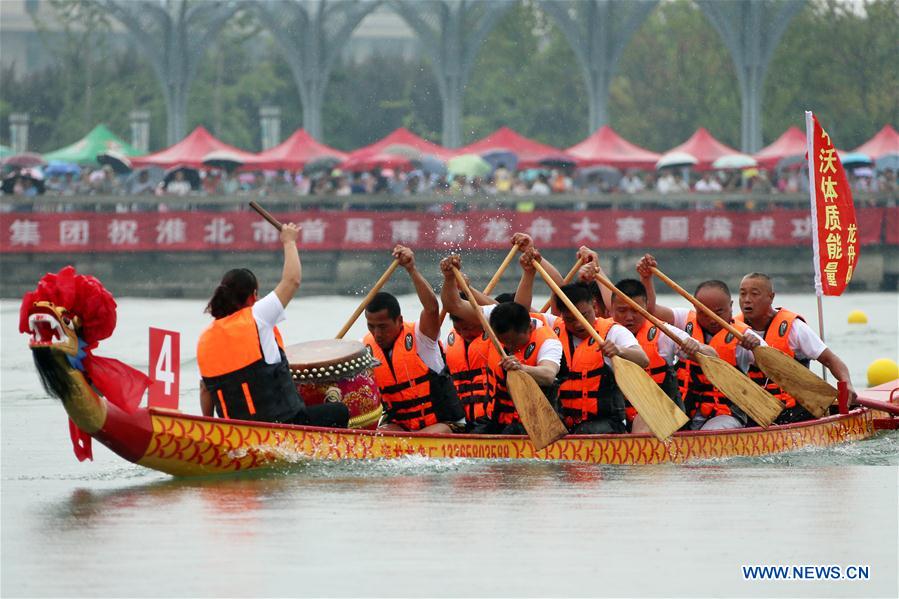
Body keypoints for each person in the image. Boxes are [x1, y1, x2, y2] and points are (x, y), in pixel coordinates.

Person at [197, 223, 349, 428]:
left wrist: (210, 427)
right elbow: (292, 280)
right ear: (253, 296)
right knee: (339, 411)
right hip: (284, 425)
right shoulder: (258, 314)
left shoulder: (206, 338)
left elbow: (205, 389)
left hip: (235, 431)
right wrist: (289, 241)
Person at [636, 254, 761, 431]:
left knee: (711, 432)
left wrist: (755, 349)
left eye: (718, 312)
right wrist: (646, 278)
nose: (712, 319)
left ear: (731, 306)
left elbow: (775, 371)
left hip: (726, 412)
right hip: (687, 408)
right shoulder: (684, 320)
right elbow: (650, 312)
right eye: (704, 312)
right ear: (695, 308)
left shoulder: (745, 336)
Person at [363, 245, 465, 433]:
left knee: (423, 437)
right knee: (381, 435)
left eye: (383, 326)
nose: (377, 333)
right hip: (404, 428)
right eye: (371, 326)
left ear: (399, 320)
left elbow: (432, 308)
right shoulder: (367, 350)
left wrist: (411, 269)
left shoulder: (421, 337)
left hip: (446, 424)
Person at [601, 275, 715, 433]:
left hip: (661, 415)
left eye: (635, 310)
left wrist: (696, 348)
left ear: (646, 307)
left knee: (643, 422)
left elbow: (712, 355)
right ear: (611, 309)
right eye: (622, 310)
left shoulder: (663, 333)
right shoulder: (600, 333)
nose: (629, 317)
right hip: (616, 417)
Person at [736, 272, 856, 422]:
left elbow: (830, 360)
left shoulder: (794, 328)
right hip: (755, 408)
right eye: (742, 294)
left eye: (754, 294)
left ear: (771, 297)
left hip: (796, 409)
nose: (747, 300)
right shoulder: (733, 329)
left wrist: (847, 384)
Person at [548, 281, 648, 434]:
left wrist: (619, 350)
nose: (578, 324)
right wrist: (529, 273)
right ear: (561, 315)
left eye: (584, 315)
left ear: (594, 305)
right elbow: (517, 314)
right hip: (565, 424)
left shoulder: (613, 332)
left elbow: (642, 359)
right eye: (570, 319)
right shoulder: (552, 327)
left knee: (585, 430)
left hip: (607, 423)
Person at [439, 256, 501, 433]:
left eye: (469, 328)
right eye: (459, 330)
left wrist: (469, 289)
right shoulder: (448, 343)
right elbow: (451, 305)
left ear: (479, 321)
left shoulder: (496, 337)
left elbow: (501, 310)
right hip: (460, 420)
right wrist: (449, 278)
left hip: (491, 419)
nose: (464, 334)